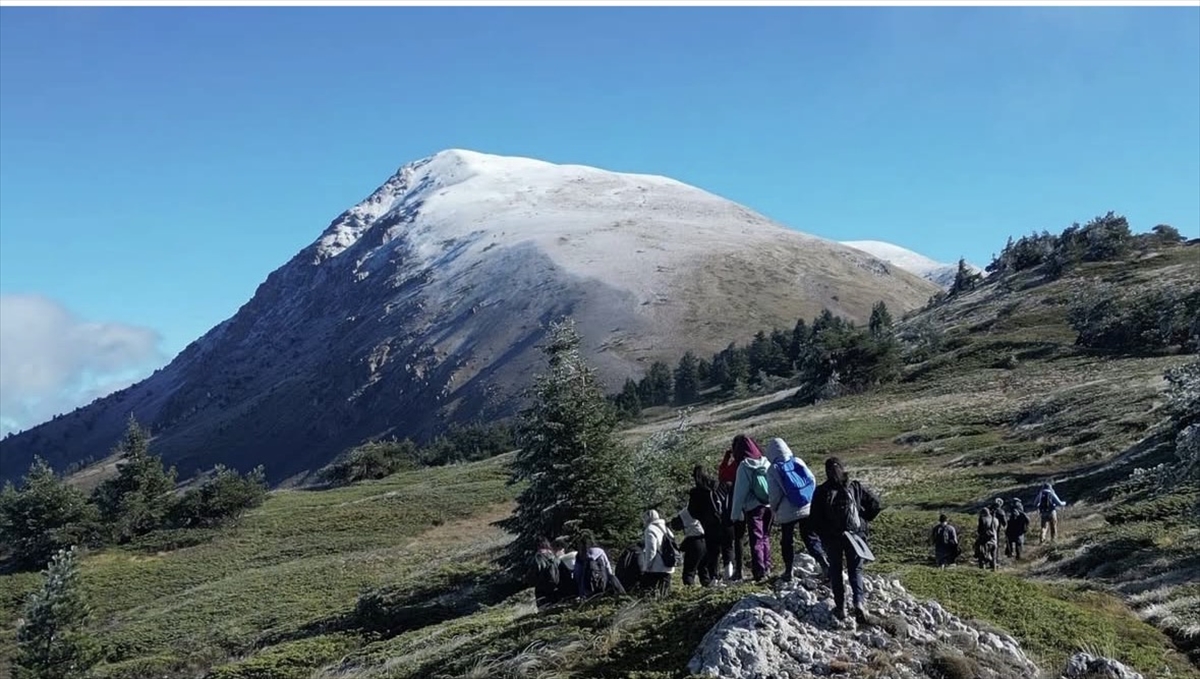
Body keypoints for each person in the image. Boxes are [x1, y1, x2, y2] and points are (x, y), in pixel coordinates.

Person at [810, 456, 882, 624]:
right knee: (855, 570)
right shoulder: (854, 486)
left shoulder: (821, 491)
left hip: (833, 539)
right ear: (842, 468)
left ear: (826, 471)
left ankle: (840, 608)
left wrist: (824, 534)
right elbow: (876, 504)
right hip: (855, 536)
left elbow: (813, 520)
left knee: (836, 571)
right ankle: (859, 602)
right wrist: (863, 520)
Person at [765, 437, 828, 581]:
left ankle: (788, 571)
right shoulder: (798, 461)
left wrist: (773, 509)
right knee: (810, 537)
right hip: (806, 507)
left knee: (787, 541)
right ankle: (825, 564)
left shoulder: (773, 469)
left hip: (787, 512)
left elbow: (774, 495)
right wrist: (808, 498)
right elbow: (811, 479)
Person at [729, 434, 773, 582]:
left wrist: (735, 514)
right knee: (766, 536)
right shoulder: (766, 462)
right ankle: (767, 567)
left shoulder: (744, 466)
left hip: (753, 508)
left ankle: (759, 572)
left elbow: (739, 493)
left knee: (756, 539)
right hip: (768, 504)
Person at [688, 466, 723, 586]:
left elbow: (692, 511)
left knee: (710, 552)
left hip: (707, 525)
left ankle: (712, 577)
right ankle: (722, 574)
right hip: (722, 522)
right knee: (723, 550)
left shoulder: (696, 492)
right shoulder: (717, 486)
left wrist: (701, 517)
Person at [574, 531, 626, 598]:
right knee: (612, 577)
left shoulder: (579, 557)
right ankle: (623, 596)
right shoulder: (599, 552)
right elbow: (608, 568)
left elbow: (577, 575)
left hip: (586, 590)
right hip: (602, 585)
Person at [716, 446, 740, 580]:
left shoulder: (725, 484)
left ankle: (729, 572)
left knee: (728, 545)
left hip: (728, 517)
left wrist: (726, 458)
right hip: (746, 510)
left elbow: (722, 475)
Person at [640, 509, 677, 596]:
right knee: (664, 592)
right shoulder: (666, 528)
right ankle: (664, 607)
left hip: (656, 566)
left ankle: (649, 607)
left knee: (648, 591)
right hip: (668, 564)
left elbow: (651, 549)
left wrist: (647, 566)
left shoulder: (650, 529)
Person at [531, 537, 562, 608]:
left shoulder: (538, 558)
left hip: (542, 590)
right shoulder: (555, 557)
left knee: (544, 611)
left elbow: (534, 575)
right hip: (557, 588)